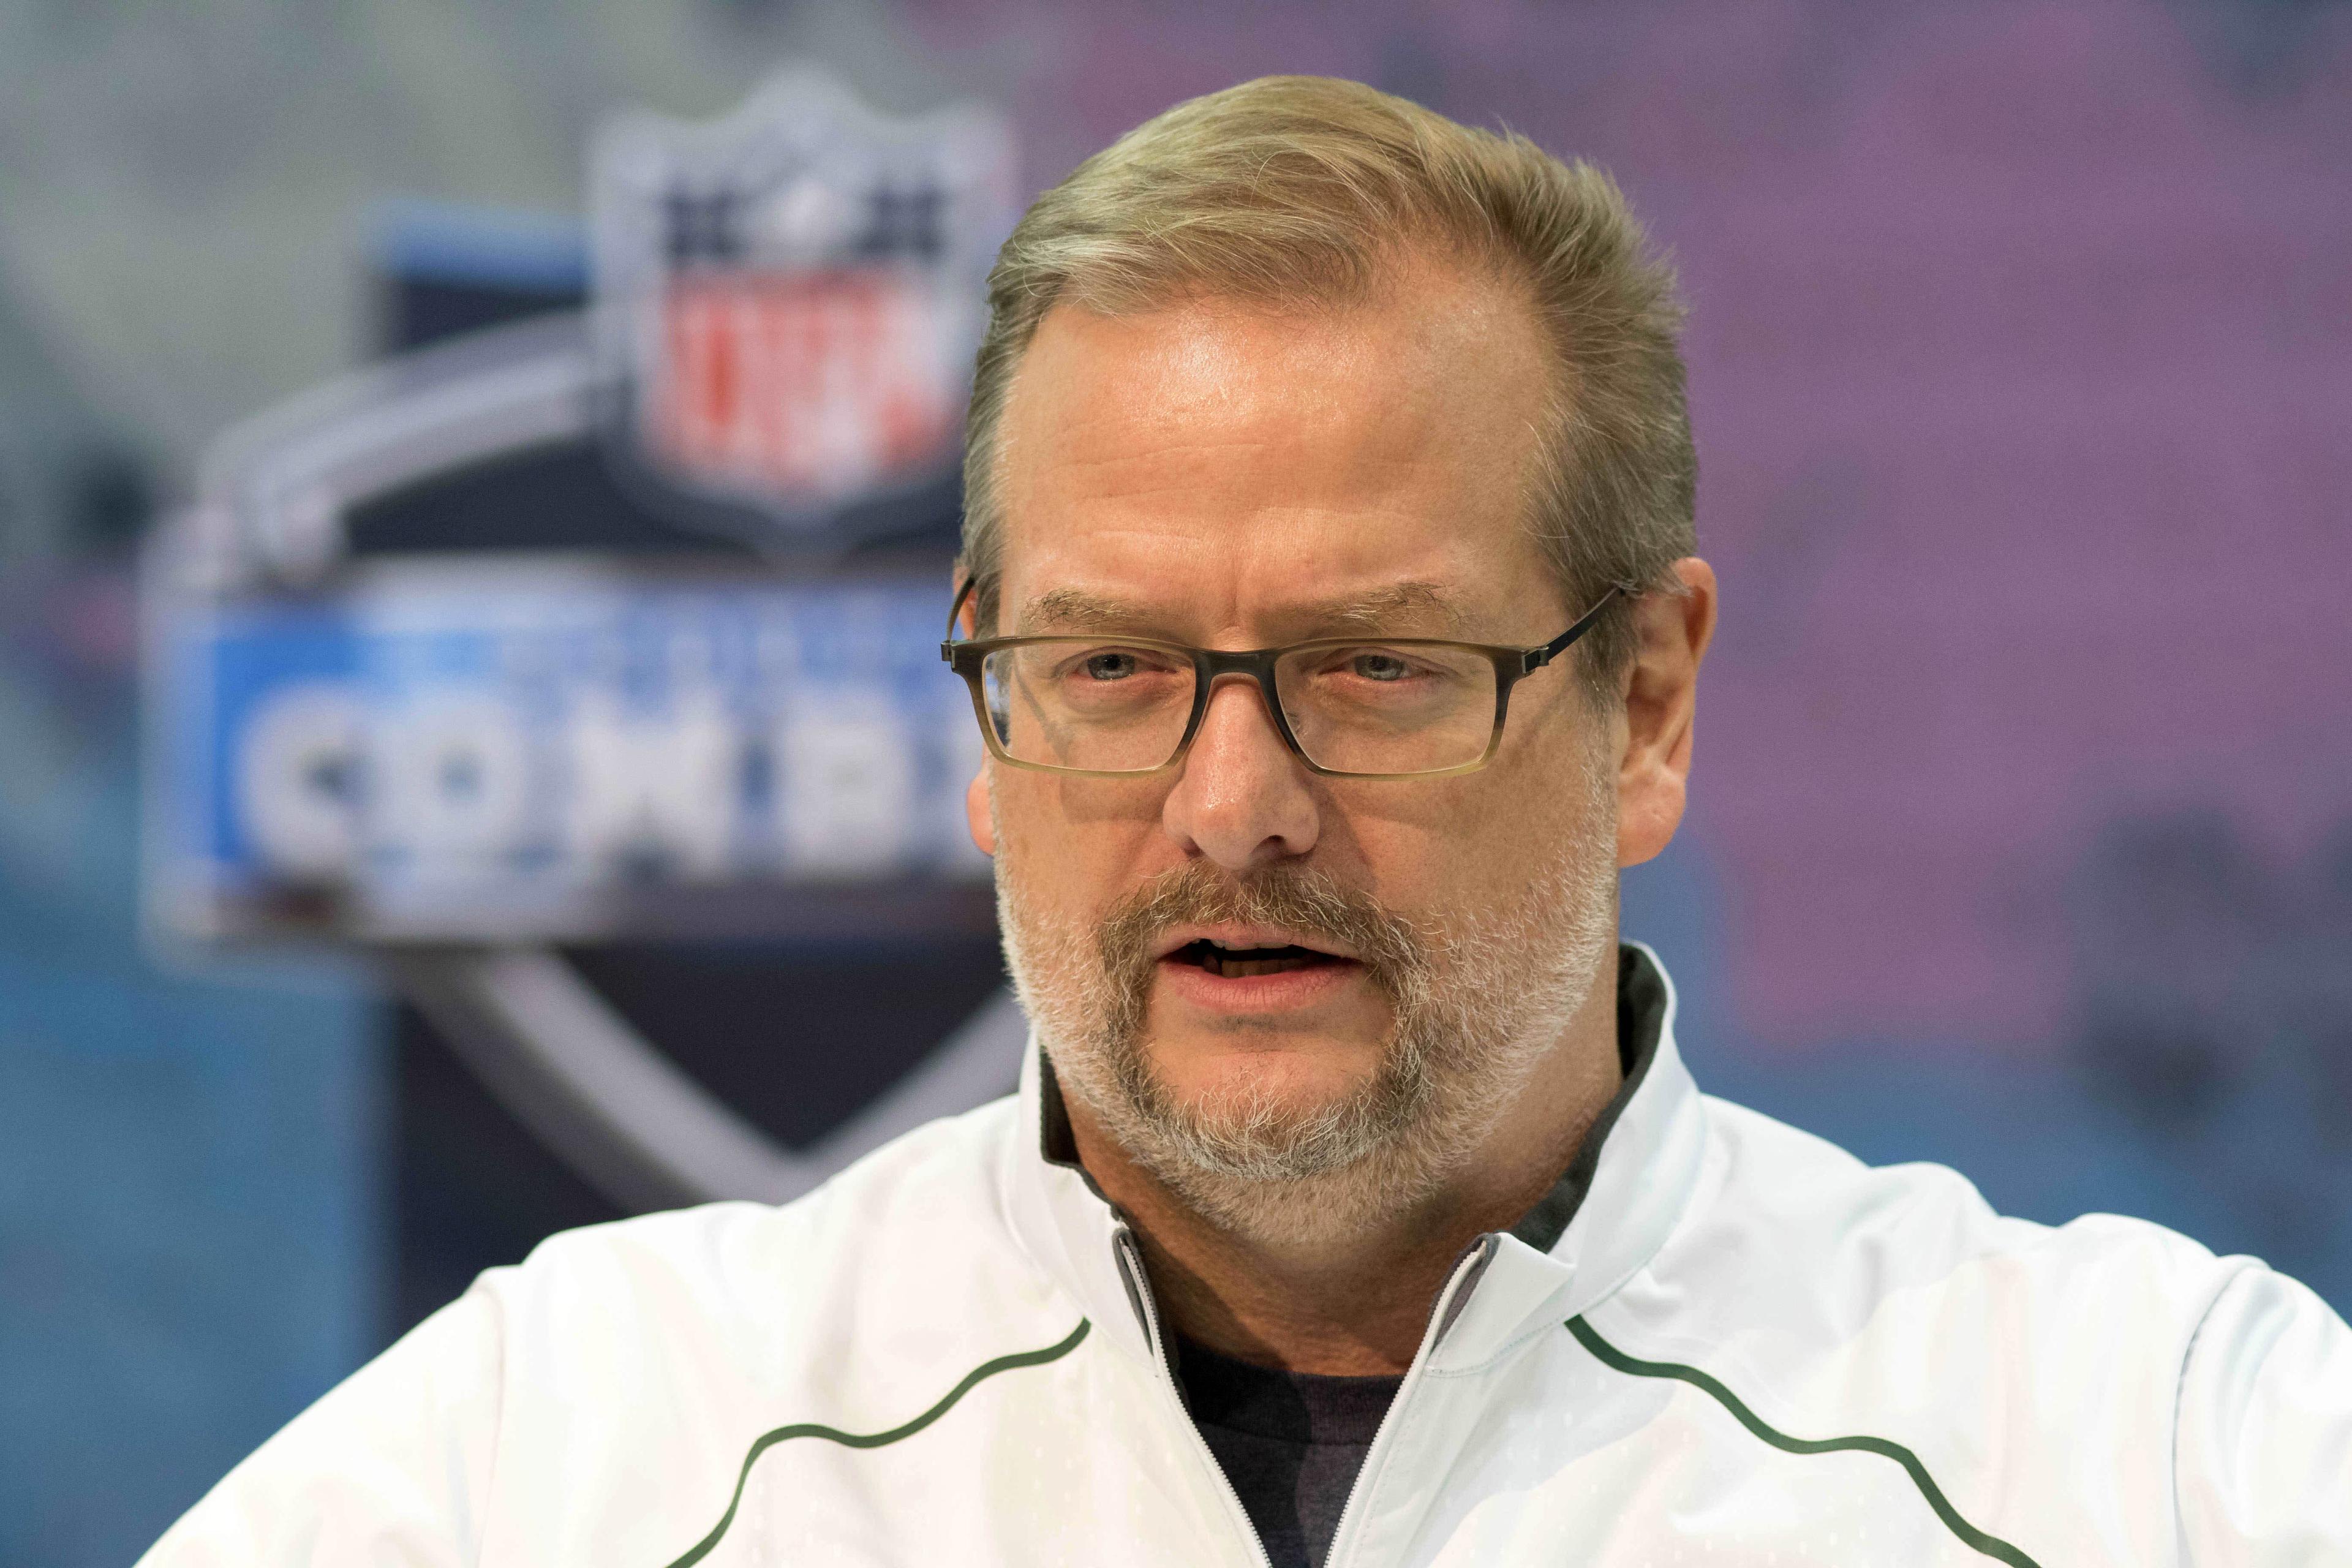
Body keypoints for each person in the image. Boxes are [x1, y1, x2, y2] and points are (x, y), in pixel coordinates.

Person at [142, 75, 2350, 1568]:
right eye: (1110, 669)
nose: (1235, 807)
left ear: (1649, 702)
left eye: (1374, 666)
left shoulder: (2161, 1452)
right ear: (989, 707)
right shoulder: (555, 1463)